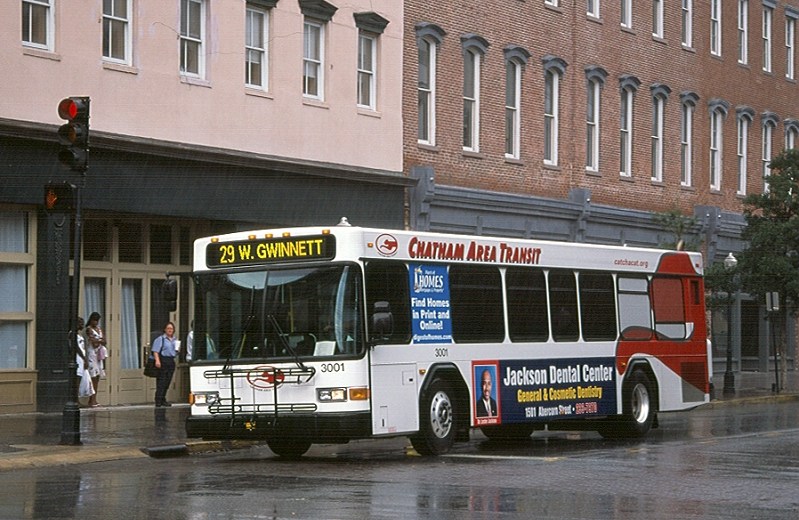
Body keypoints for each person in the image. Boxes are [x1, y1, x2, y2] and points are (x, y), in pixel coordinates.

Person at [152, 321, 178, 407]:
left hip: (171, 361)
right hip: (163, 361)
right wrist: (157, 361)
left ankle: (163, 399)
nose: (170, 330)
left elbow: (175, 352)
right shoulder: (161, 339)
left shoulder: (175, 340)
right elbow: (155, 351)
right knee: (161, 382)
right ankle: (158, 400)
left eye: (171, 328)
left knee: (168, 381)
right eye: (168, 328)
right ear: (165, 330)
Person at [85, 312, 107, 408]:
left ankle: (94, 399)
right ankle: (91, 399)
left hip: (98, 355)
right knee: (92, 376)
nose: (96, 322)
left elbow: (104, 341)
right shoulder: (89, 329)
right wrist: (100, 340)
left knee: (97, 376)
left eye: (97, 320)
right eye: (94, 320)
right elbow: (94, 343)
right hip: (92, 355)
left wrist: (99, 341)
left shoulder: (99, 329)